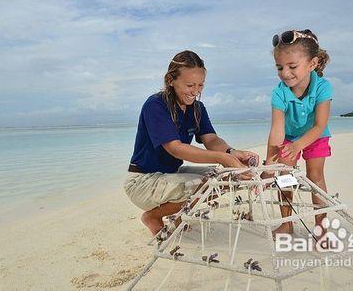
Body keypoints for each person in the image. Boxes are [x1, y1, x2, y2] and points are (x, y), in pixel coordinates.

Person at [124, 50, 260, 235]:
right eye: (189, 85)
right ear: (171, 80)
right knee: (203, 184)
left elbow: (211, 139)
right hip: (143, 181)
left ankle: (178, 214)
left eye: (200, 85)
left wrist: (232, 153)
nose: (195, 91)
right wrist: (222, 158)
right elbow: (176, 149)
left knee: (225, 179)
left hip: (171, 174)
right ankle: (152, 216)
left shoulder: (197, 108)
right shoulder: (155, 105)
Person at [264, 29, 332, 237]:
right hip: (288, 137)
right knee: (285, 177)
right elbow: (277, 129)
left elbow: (319, 125)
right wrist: (270, 163)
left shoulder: (323, 88)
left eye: (292, 66)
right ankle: (287, 223)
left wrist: (298, 146)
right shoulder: (279, 92)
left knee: (315, 177)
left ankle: (321, 228)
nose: (285, 73)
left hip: (315, 136)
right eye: (279, 67)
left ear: (312, 64)